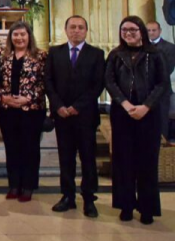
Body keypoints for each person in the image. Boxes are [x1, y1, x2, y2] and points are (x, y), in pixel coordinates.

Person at [105, 16, 170, 225]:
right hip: (123, 113)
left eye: (133, 30)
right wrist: (124, 103)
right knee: (123, 162)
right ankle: (125, 206)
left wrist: (146, 106)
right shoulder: (116, 54)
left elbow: (162, 85)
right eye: (124, 30)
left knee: (147, 162)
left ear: (141, 31)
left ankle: (147, 208)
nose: (129, 33)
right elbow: (110, 81)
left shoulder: (155, 54)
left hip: (148, 114)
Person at [45, 15, 105, 217]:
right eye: (72, 27)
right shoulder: (55, 52)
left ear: (86, 31)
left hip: (85, 116)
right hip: (62, 115)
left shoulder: (96, 54)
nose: (76, 30)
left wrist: (77, 106)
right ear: (66, 30)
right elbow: (48, 82)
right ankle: (67, 196)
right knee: (66, 158)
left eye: (80, 27)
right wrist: (59, 106)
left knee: (88, 158)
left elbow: (97, 85)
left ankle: (89, 198)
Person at [0, 21, 47, 203]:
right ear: (10, 37)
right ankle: (14, 184)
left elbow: (44, 82)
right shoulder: (2, 54)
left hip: (31, 110)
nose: (19, 38)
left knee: (30, 148)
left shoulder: (40, 56)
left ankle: (28, 185)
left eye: (22, 34)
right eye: (15, 35)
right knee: (12, 147)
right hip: (7, 109)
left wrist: (29, 97)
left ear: (29, 36)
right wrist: (3, 96)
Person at [146, 21, 175, 140]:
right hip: (145, 90)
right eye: (148, 30)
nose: (151, 33)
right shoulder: (141, 47)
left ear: (160, 31)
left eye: (154, 30)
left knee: (162, 118)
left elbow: (168, 68)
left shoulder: (170, 47)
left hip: (162, 89)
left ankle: (163, 144)